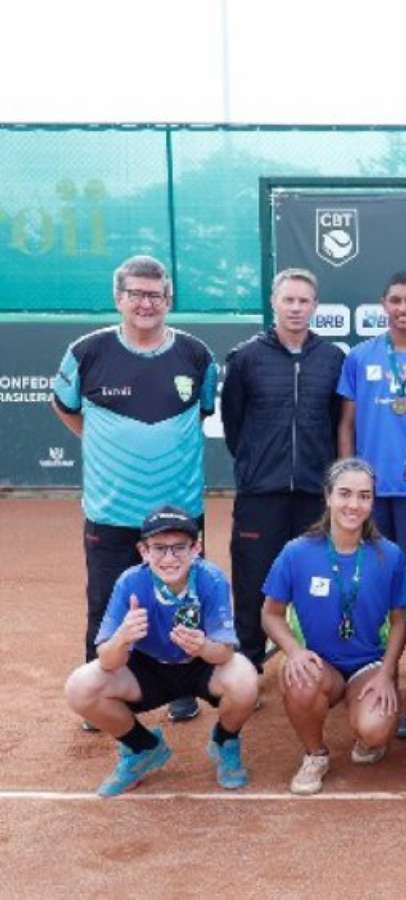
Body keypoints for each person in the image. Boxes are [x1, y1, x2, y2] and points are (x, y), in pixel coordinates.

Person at [52, 254, 219, 728]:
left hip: (179, 512)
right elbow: (65, 406)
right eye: (136, 294)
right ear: (118, 298)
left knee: (183, 601)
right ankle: (102, 690)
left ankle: (184, 690)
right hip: (111, 512)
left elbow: (201, 413)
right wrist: (103, 441)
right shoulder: (87, 352)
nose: (146, 303)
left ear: (169, 299)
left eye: (155, 294)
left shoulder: (196, 355)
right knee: (106, 602)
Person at [64, 506, 257, 796]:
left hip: (198, 663)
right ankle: (142, 748)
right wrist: (123, 637)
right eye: (159, 548)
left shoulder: (211, 579)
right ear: (143, 551)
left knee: (245, 677)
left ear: (196, 548)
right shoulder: (130, 581)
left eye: (180, 547)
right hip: (148, 669)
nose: (169, 558)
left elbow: (225, 653)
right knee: (80, 686)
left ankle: (225, 741)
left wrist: (203, 646)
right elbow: (107, 659)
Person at [222, 268, 345, 676]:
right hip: (261, 493)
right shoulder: (245, 358)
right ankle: (249, 664)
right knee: (252, 581)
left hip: (314, 493)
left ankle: (322, 664)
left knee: (317, 582)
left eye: (303, 301)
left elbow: (335, 422)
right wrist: (259, 465)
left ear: (314, 306)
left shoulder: (332, 359)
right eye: (288, 300)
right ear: (274, 303)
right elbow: (233, 425)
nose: (295, 308)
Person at [260, 458, 406, 795]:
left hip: (368, 663)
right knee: (298, 679)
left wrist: (387, 673)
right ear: (328, 496)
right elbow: (270, 615)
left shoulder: (390, 555)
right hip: (318, 661)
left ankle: (368, 735)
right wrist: (295, 652)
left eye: (364, 496)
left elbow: (401, 621)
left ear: (372, 501)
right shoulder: (296, 552)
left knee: (375, 729)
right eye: (344, 494)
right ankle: (316, 754)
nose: (353, 505)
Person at [337, 271, 406, 556]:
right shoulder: (359, 357)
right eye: (395, 300)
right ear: (383, 304)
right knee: (374, 569)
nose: (403, 308)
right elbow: (347, 425)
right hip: (370, 487)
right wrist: (349, 478)